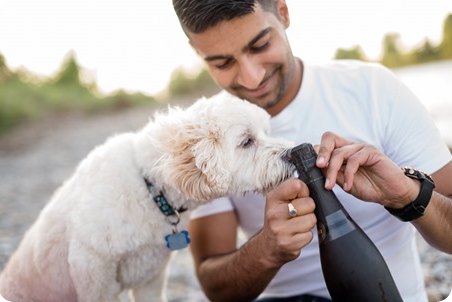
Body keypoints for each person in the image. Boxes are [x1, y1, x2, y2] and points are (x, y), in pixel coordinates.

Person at [171, 1, 452, 301]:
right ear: (196, 52)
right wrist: (266, 249)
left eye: (261, 45)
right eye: (222, 63)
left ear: (282, 12)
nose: (251, 77)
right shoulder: (207, 137)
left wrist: (406, 194)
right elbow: (216, 288)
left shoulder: (373, 88)